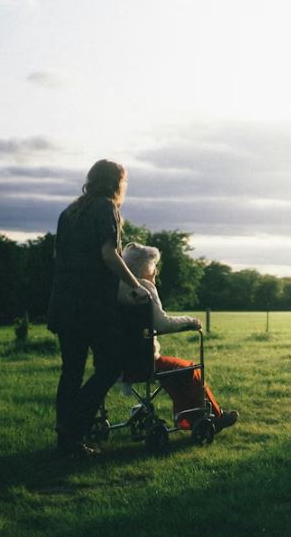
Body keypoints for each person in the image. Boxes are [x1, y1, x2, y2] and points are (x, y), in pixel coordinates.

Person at [47, 160, 150, 457]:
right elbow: (109, 254)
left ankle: (66, 439)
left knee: (71, 371)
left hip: (63, 301)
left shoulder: (69, 212)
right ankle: (74, 427)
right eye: (124, 181)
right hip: (91, 304)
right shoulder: (106, 208)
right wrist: (136, 285)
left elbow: (58, 256)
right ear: (116, 183)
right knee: (111, 366)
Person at [118, 242, 239, 433]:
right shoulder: (144, 288)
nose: (156, 271)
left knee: (175, 371)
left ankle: (187, 417)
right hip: (143, 361)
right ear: (145, 268)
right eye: (154, 266)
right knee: (189, 369)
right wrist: (190, 321)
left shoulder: (116, 287)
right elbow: (162, 323)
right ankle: (212, 417)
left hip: (118, 361)